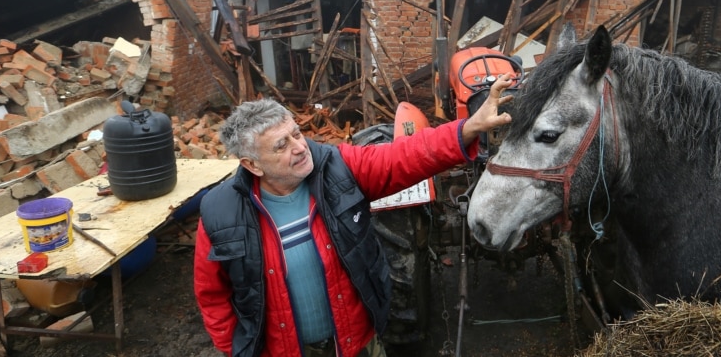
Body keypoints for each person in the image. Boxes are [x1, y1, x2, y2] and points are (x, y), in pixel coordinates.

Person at [193, 75, 515, 357]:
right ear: (253, 165)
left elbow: (402, 157)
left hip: (356, 343)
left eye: (296, 133)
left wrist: (470, 127)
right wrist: (235, 348)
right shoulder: (220, 214)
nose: (299, 146)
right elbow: (212, 297)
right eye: (281, 145)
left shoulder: (338, 169)